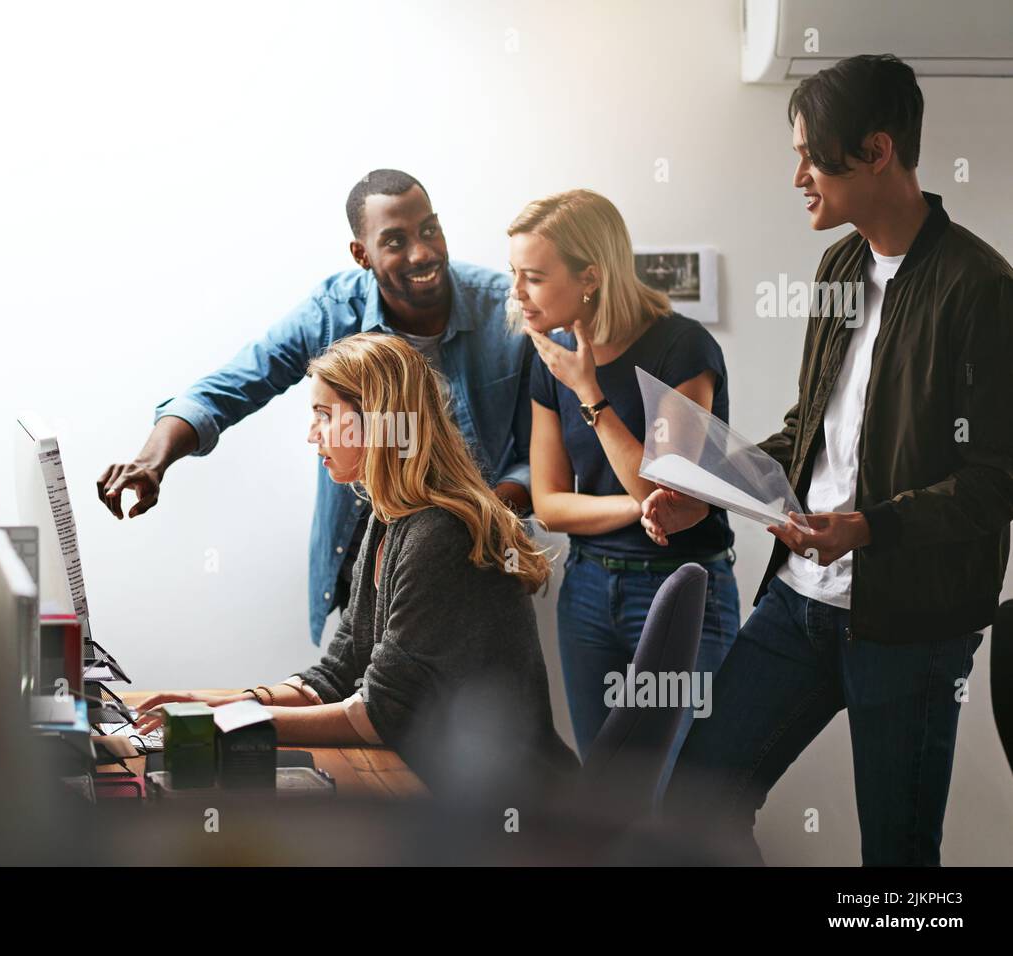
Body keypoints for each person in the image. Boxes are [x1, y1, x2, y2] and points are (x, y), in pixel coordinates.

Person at [649, 54, 1013, 866]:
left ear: (876, 151)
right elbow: (807, 430)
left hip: (913, 629)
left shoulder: (982, 288)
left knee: (897, 858)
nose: (798, 176)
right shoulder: (839, 267)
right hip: (798, 605)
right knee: (692, 806)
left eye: (809, 154)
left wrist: (870, 529)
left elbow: (994, 483)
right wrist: (706, 492)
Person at [96, 169, 533, 646]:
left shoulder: (507, 310)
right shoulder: (332, 313)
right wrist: (153, 459)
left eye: (430, 229)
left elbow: (545, 454)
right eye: (395, 240)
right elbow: (225, 389)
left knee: (464, 712)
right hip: (371, 562)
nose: (423, 252)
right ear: (361, 254)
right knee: (367, 697)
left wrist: (477, 515)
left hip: (477, 554)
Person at [133, 333, 578, 791]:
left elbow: (377, 713)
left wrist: (233, 720)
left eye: (324, 416)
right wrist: (214, 704)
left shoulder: (439, 533)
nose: (312, 435)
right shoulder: (389, 520)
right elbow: (337, 675)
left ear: (376, 420)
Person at [508, 189, 739, 789]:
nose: (517, 293)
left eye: (533, 276)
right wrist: (638, 507)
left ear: (590, 277)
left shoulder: (682, 349)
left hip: (681, 589)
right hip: (586, 591)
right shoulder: (550, 358)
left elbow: (666, 486)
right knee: (607, 801)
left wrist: (591, 395)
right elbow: (552, 503)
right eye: (515, 274)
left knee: (684, 799)